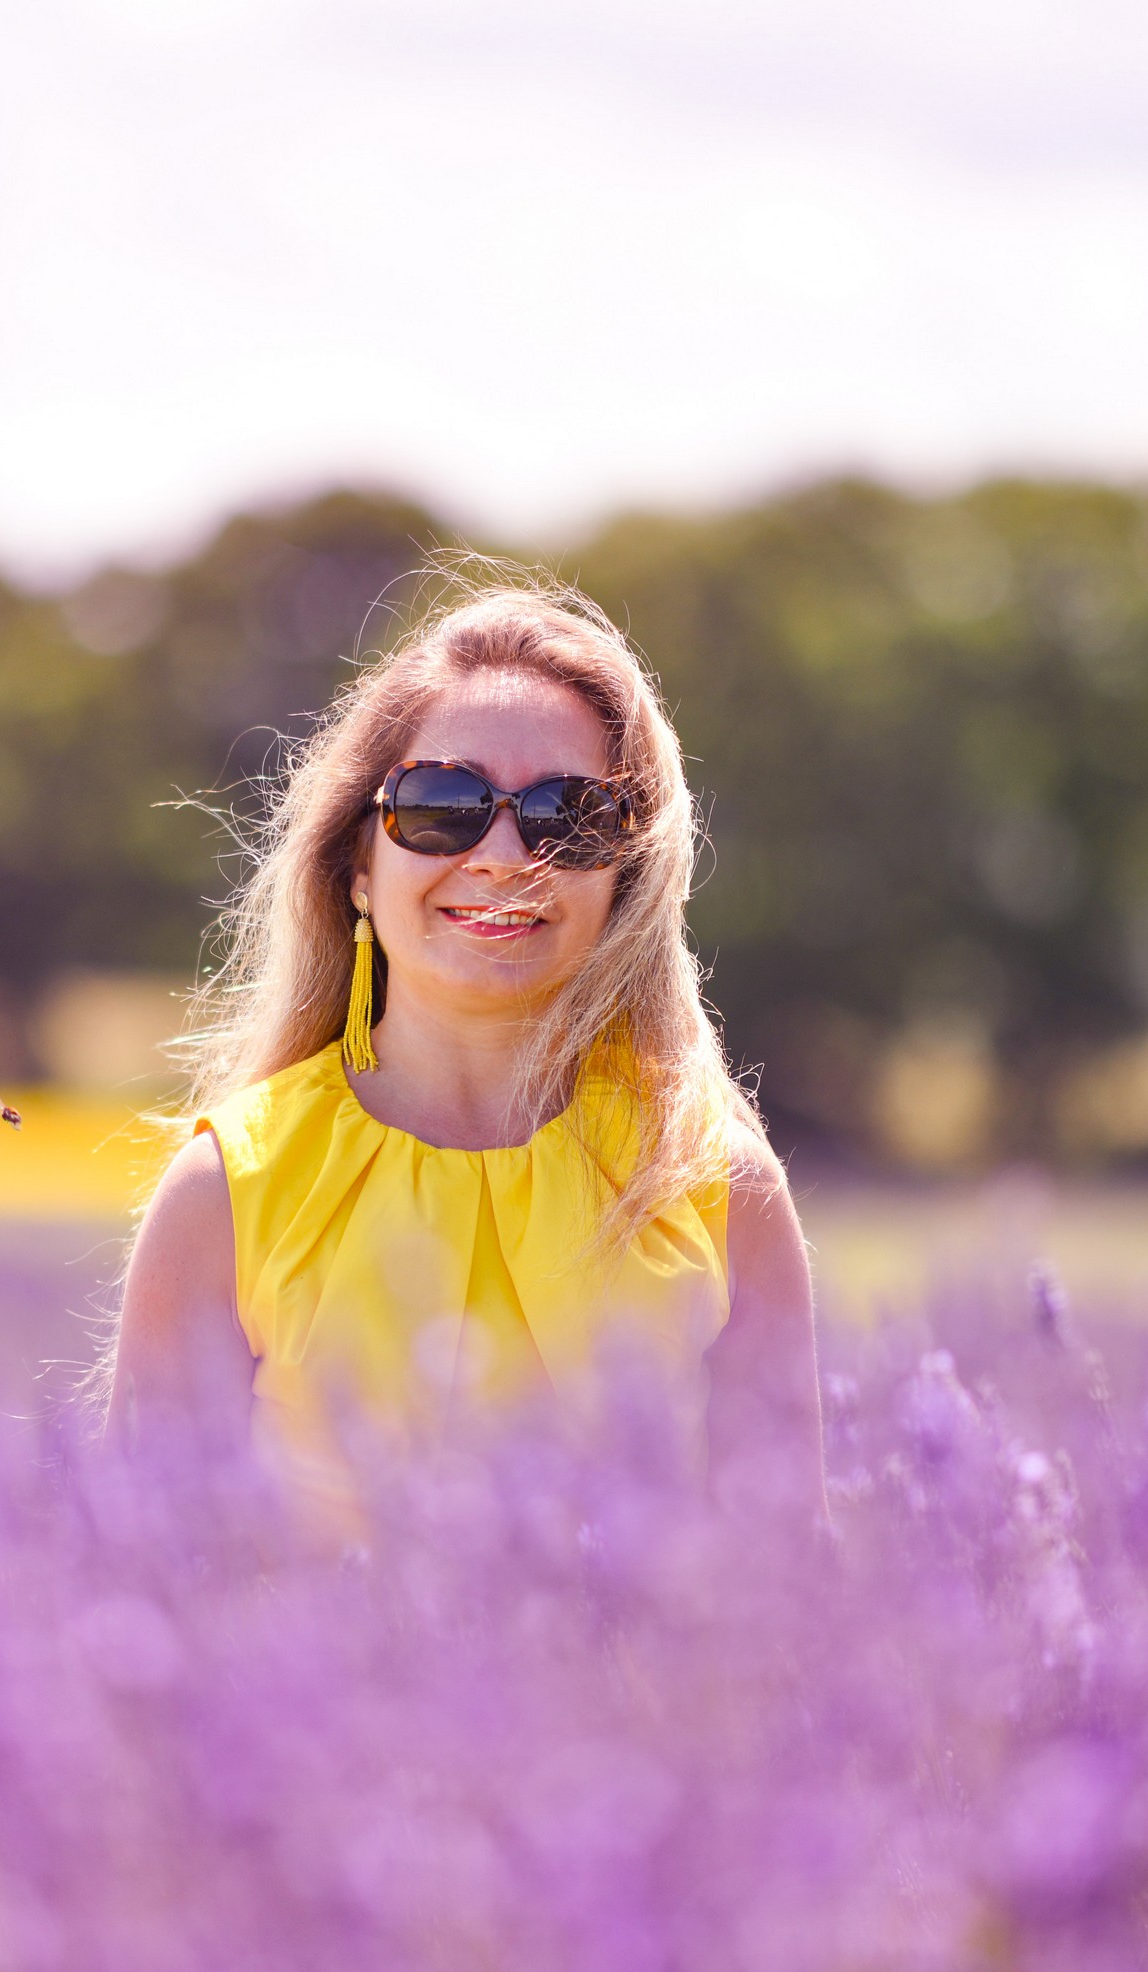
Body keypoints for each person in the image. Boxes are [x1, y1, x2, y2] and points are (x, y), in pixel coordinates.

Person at [105, 576, 823, 1523]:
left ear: (626, 877)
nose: (503, 857)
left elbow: (784, 1581)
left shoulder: (716, 1186)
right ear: (359, 866)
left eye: (568, 817)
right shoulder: (228, 1191)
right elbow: (146, 1573)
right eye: (443, 803)